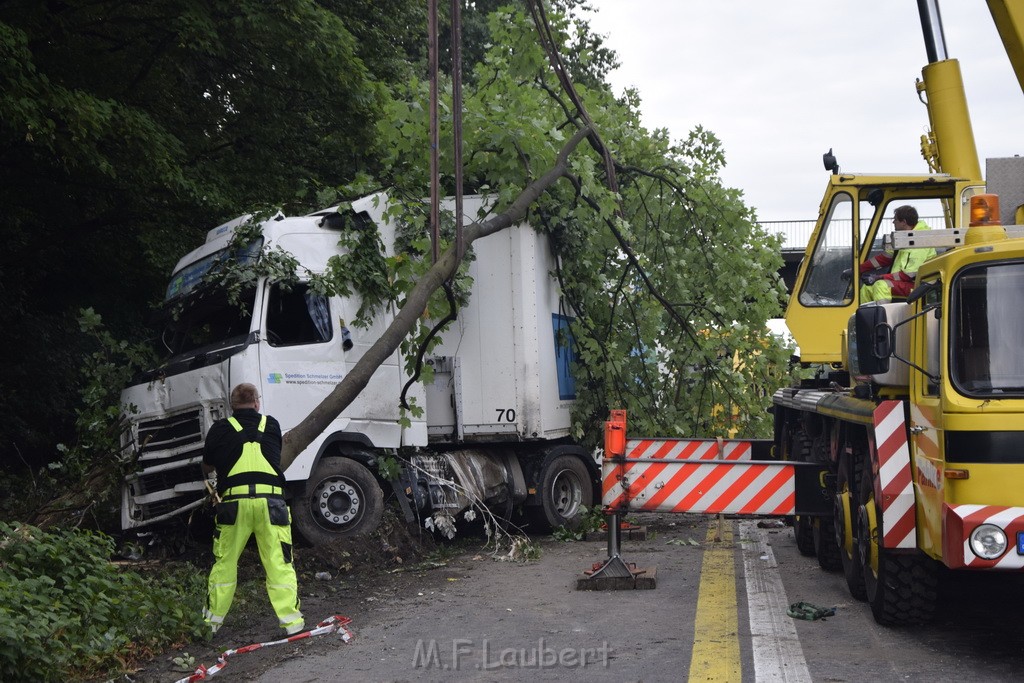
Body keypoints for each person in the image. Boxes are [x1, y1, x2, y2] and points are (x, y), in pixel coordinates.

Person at [201, 383, 303, 636]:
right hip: (271, 503)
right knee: (279, 562)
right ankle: (292, 624)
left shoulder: (220, 428)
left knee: (225, 564)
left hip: (234, 504)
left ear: (231, 406)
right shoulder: (272, 425)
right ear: (257, 403)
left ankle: (210, 626)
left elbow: (207, 467)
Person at [857, 205, 936, 302]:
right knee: (867, 288)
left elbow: (908, 275)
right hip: (904, 283)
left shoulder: (920, 241)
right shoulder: (905, 238)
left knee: (881, 285)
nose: (893, 222)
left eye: (895, 220)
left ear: (904, 222)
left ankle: (883, 316)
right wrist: (858, 269)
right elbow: (885, 258)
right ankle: (864, 316)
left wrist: (879, 277)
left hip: (919, 287)